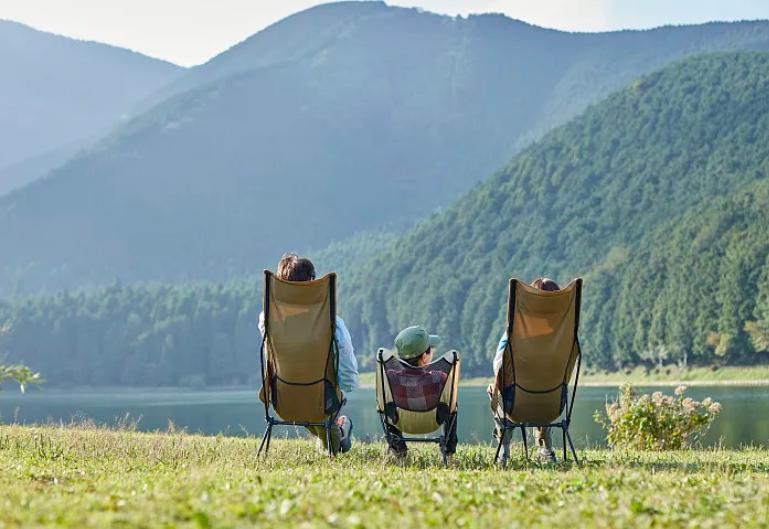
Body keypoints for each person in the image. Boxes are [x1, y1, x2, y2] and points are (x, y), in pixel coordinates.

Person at [258, 253, 359, 454]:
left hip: (284, 401)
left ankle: (332, 434)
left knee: (323, 431)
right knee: (333, 443)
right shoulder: (332, 323)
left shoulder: (268, 321)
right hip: (322, 402)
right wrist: (346, 386)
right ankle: (342, 427)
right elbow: (347, 363)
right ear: (312, 283)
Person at [488, 277, 560, 465]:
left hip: (516, 403)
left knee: (496, 387)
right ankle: (546, 449)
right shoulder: (563, 334)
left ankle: (504, 449)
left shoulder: (515, 331)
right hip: (550, 403)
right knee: (546, 385)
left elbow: (498, 365)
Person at [385, 325, 458, 459]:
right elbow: (451, 407)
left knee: (388, 405)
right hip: (432, 422)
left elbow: (381, 406)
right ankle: (449, 452)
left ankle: (399, 450)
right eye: (431, 349)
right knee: (452, 406)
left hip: (400, 421)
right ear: (424, 357)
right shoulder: (440, 378)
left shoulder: (391, 377)